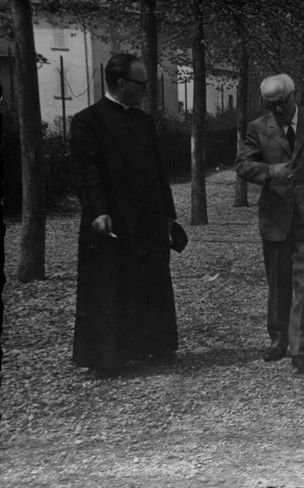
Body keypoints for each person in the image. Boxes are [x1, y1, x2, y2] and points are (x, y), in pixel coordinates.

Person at [70, 53, 180, 378]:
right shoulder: (87, 121)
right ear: (119, 83)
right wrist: (97, 211)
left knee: (150, 280)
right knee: (109, 285)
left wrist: (169, 214)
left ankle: (155, 345)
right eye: (140, 84)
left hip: (147, 218)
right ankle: (107, 357)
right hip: (111, 219)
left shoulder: (145, 122)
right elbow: (85, 172)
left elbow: (160, 172)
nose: (146, 90)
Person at [235, 73, 304, 374]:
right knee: (278, 283)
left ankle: (300, 348)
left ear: (293, 95)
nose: (277, 110)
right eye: (271, 105)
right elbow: (243, 165)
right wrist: (270, 170)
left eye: (281, 102)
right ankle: (279, 338)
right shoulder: (257, 128)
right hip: (275, 218)